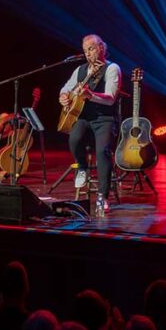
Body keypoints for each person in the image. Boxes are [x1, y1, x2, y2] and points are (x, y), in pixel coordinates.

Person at [59, 34, 121, 218]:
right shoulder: (80, 70)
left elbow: (110, 98)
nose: (88, 54)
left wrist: (90, 95)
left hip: (104, 118)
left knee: (102, 152)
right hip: (84, 117)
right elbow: (66, 88)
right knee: (74, 138)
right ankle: (82, 168)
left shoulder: (112, 68)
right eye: (85, 50)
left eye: (92, 49)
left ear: (101, 48)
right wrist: (63, 96)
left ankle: (103, 196)